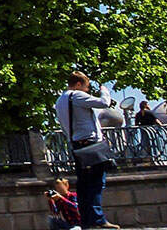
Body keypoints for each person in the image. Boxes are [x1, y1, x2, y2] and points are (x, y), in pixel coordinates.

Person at [56, 71, 122, 230]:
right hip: (90, 144)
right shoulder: (76, 96)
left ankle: (85, 220)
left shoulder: (60, 100)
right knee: (97, 182)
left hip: (77, 144)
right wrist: (104, 90)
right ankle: (98, 220)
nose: (87, 90)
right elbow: (104, 103)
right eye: (86, 87)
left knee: (83, 184)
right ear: (78, 84)